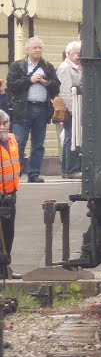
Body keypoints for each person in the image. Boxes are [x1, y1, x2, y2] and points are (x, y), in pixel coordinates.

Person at [6, 37, 59, 182]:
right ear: (28, 50)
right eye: (35, 48)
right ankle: (15, 172)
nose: (38, 50)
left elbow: (56, 88)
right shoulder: (18, 66)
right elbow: (11, 86)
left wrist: (46, 83)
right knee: (19, 142)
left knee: (38, 143)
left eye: (40, 48)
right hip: (23, 108)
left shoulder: (48, 66)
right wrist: (30, 80)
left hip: (42, 108)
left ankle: (34, 173)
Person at [57, 40, 83, 179]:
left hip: (78, 108)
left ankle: (68, 169)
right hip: (73, 109)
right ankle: (70, 169)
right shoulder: (65, 68)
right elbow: (65, 92)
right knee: (71, 138)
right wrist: (74, 111)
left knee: (72, 137)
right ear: (68, 54)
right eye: (76, 54)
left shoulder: (78, 67)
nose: (78, 57)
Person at [0, 110, 19, 279]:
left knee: (9, 232)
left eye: (5, 123)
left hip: (10, 194)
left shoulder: (12, 139)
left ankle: (6, 267)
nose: (2, 127)